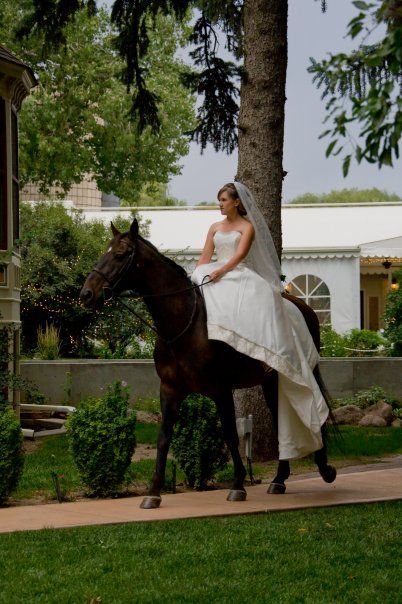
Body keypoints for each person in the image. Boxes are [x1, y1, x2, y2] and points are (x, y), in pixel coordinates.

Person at [191, 181, 329, 461]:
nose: (220, 204)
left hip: (235, 272)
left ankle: (261, 348)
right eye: (218, 200)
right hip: (214, 271)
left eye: (224, 200)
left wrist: (220, 272)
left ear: (237, 203)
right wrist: (200, 275)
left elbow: (239, 256)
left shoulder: (247, 227)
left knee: (257, 298)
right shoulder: (214, 228)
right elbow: (205, 257)